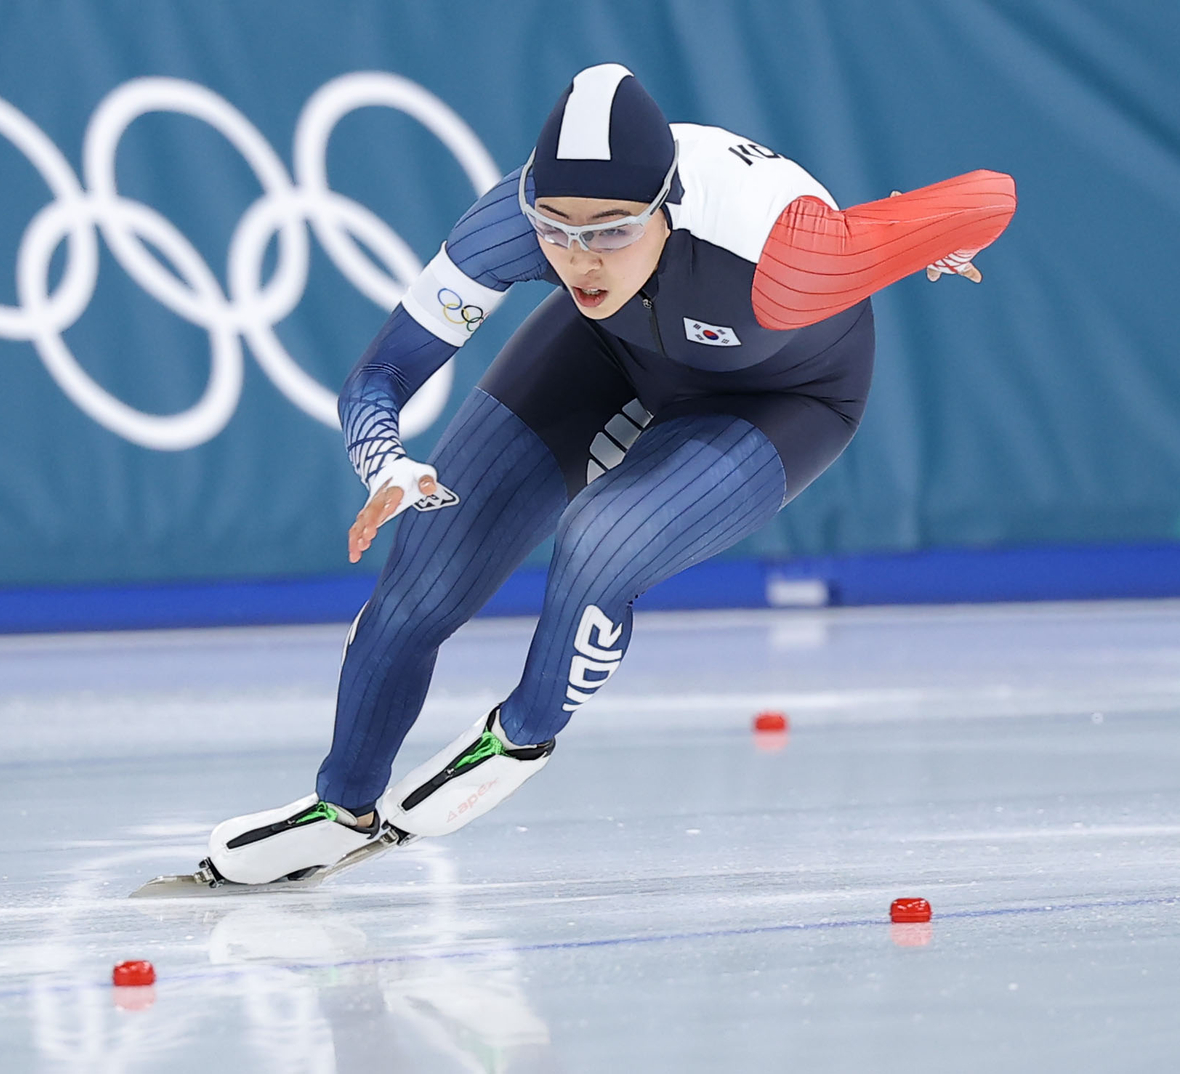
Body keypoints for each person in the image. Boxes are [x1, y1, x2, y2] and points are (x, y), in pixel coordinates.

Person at [204, 64, 1016, 885]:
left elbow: (991, 193)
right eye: (555, 229)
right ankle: (339, 804)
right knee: (423, 567)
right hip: (610, 350)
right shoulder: (506, 225)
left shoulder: (794, 256)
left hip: (783, 395)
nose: (580, 259)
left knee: (600, 541)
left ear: (667, 210)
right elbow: (378, 377)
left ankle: (520, 731)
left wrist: (942, 236)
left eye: (612, 231)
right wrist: (386, 461)